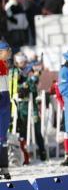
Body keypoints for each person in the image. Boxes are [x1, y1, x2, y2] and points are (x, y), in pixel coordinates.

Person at [12, 52, 45, 164]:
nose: (24, 64)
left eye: (24, 62)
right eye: (21, 62)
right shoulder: (14, 72)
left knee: (36, 128)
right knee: (22, 131)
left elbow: (33, 88)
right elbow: (19, 89)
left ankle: (42, 153)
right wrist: (31, 79)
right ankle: (24, 155)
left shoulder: (28, 71)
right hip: (20, 106)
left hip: (32, 104)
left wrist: (35, 76)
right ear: (17, 63)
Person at [0, 42, 11, 178]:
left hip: (4, 104)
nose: (9, 53)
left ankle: (3, 166)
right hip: (1, 102)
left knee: (3, 138)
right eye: (7, 51)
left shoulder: (4, 66)